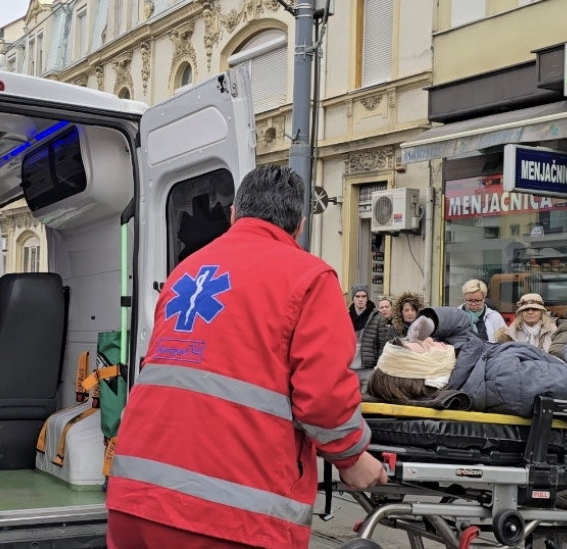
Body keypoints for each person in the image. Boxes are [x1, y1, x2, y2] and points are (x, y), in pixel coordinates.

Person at [106, 166, 387, 549]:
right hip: (226, 513)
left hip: (135, 498)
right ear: (300, 226)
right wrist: (352, 459)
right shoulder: (308, 277)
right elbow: (323, 398)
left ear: (235, 214)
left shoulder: (186, 272)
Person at [367, 306, 567, 417]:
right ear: (429, 376)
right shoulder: (503, 377)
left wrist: (429, 322)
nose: (429, 339)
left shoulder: (465, 369)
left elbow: (462, 325)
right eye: (421, 346)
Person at [354, 296, 394, 393]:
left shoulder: (396, 325)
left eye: (386, 307)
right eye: (381, 307)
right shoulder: (373, 323)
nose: (384, 310)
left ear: (392, 308)